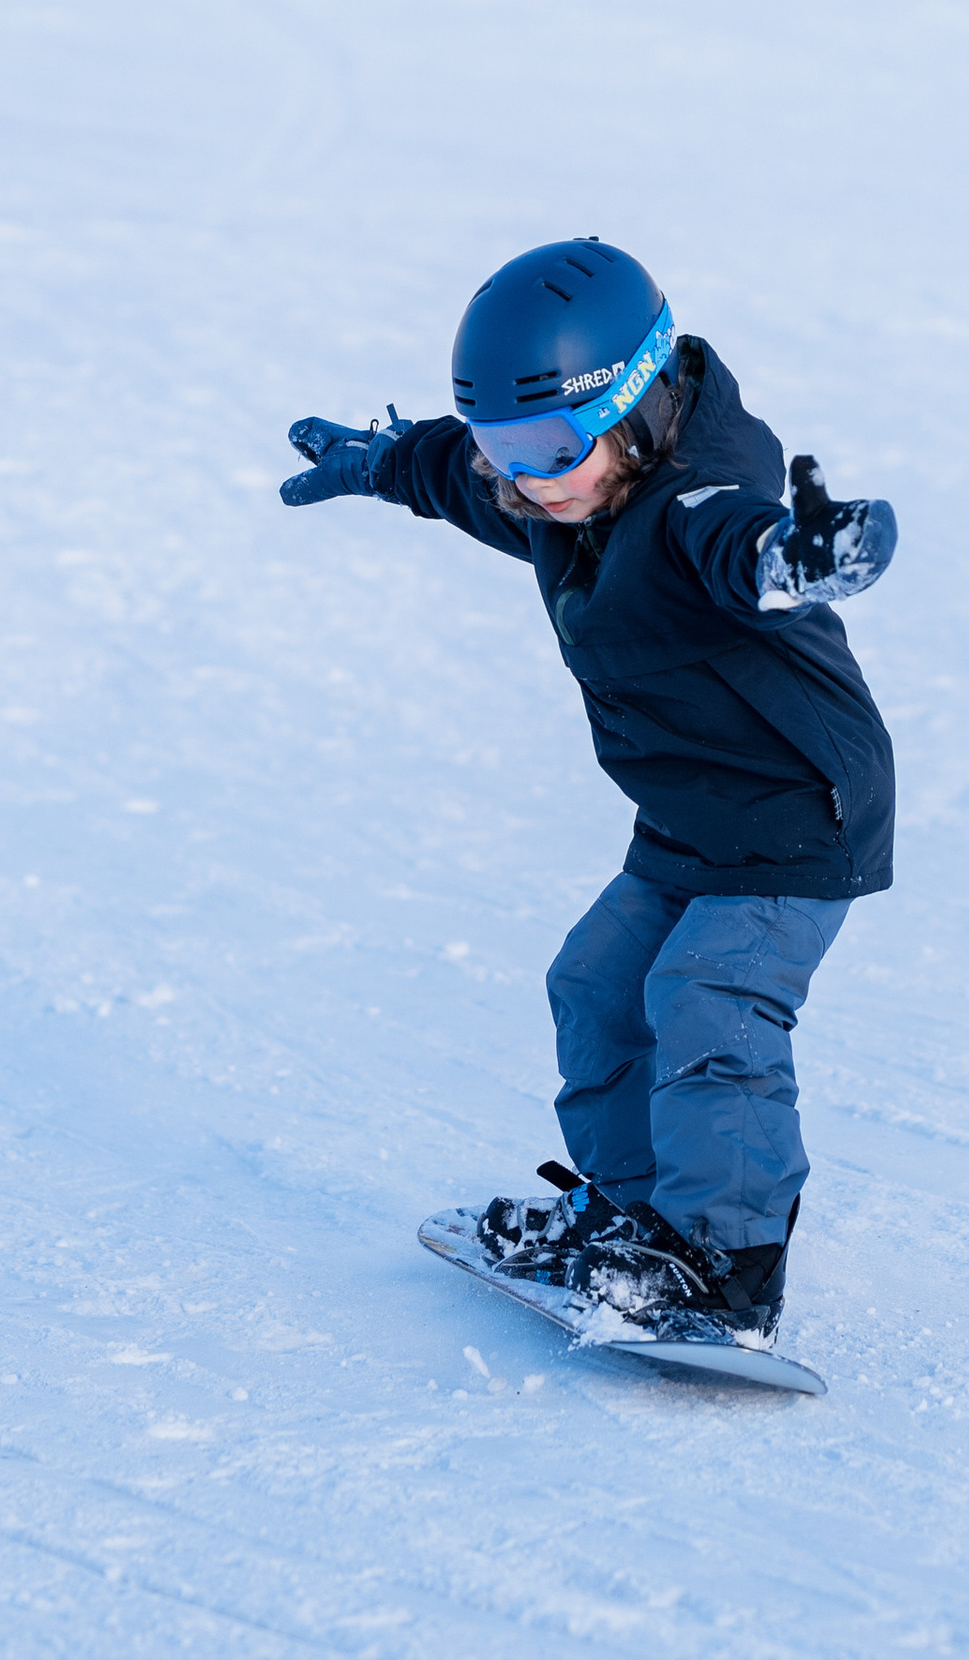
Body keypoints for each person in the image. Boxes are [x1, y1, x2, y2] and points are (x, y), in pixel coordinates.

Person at [281, 239, 897, 1350]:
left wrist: (799, 559)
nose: (524, 480)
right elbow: (461, 483)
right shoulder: (562, 491)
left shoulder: (694, 504)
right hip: (688, 811)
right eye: (498, 449)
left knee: (712, 1001)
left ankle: (726, 1263)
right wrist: (387, 460)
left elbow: (739, 546)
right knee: (599, 984)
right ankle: (635, 1216)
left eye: (548, 445)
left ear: (638, 405)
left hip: (795, 811)